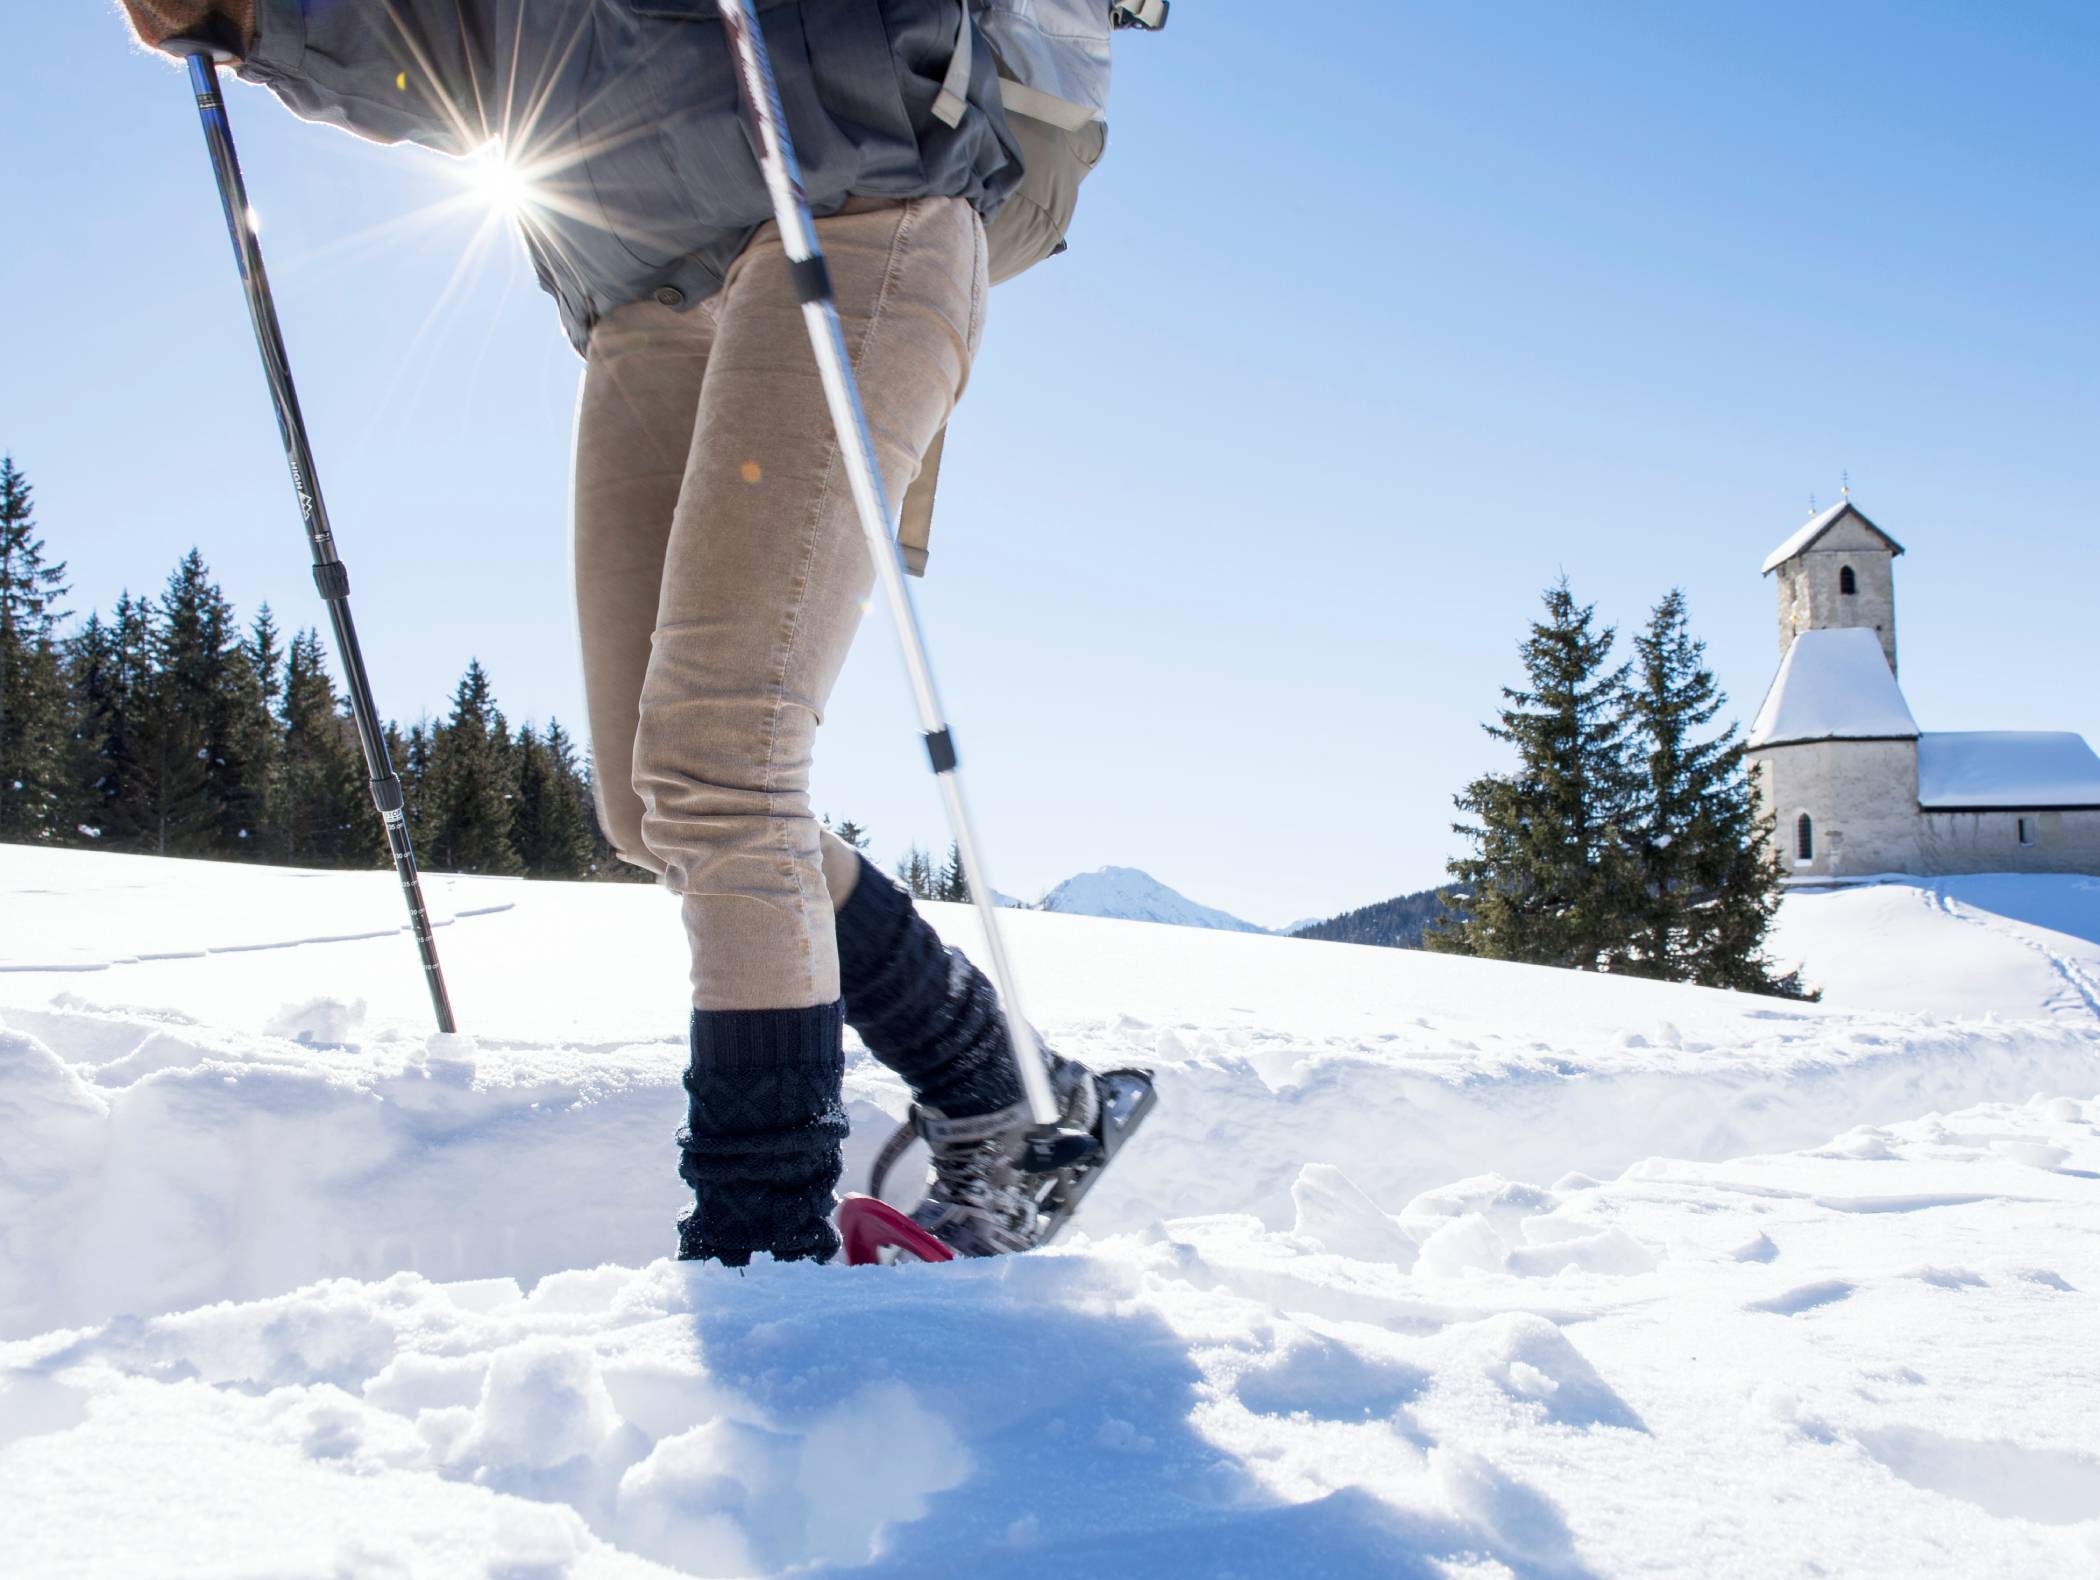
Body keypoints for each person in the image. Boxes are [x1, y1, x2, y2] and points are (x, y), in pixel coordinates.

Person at [120, 0, 1111, 1265]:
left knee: (720, 771)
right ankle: (1010, 1090)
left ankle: (763, 1267)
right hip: (636, 289)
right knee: (654, 809)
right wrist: (259, 20)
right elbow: (471, 54)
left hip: (849, 197)